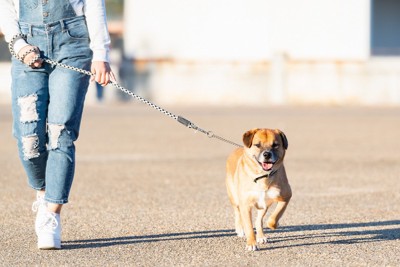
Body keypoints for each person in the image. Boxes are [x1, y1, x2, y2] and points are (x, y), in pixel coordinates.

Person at [0, 0, 115, 249]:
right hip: (27, 45)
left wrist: (101, 54)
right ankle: (43, 192)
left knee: (60, 132)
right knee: (28, 139)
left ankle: (51, 214)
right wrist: (19, 45)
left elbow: (94, 4)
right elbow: (5, 6)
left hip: (72, 44)